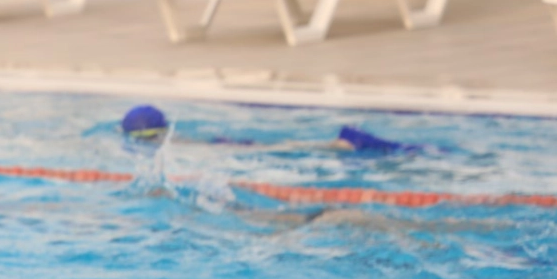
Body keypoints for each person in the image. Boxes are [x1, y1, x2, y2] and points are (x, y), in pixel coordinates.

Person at [120, 104, 415, 153]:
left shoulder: (172, 147)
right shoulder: (176, 140)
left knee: (283, 148)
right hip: (230, 142)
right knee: (285, 145)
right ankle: (336, 143)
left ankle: (339, 144)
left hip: (233, 147)